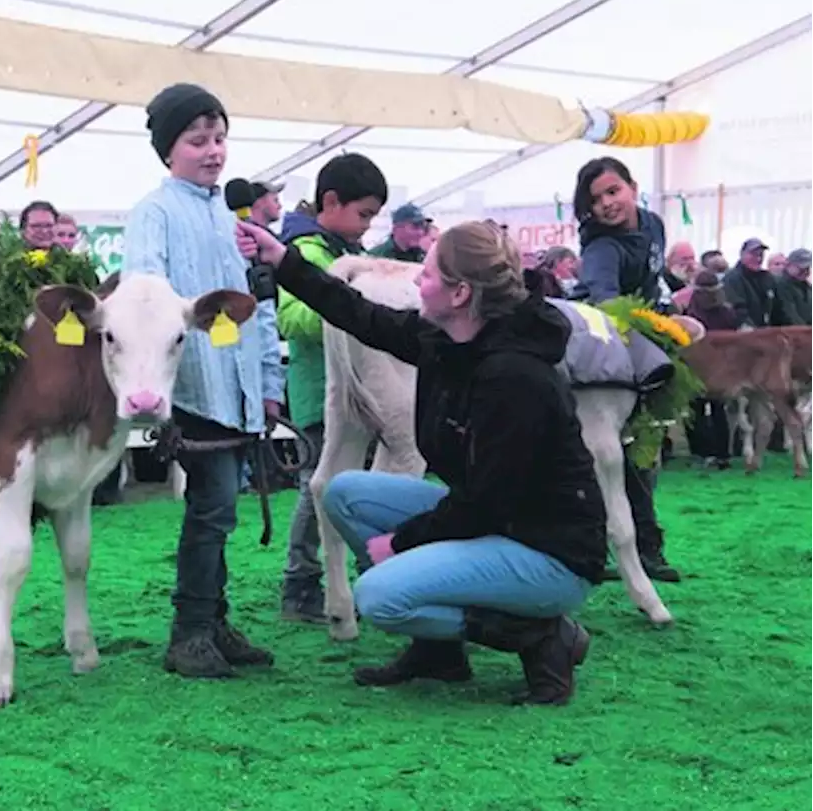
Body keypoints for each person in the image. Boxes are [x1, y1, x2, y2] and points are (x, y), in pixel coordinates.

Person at [235, 218, 605, 706]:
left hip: (549, 552)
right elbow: (361, 316)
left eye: (426, 274)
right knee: (346, 493)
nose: (415, 281)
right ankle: (438, 653)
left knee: (380, 597)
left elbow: (484, 504)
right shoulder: (452, 340)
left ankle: (542, 636)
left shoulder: (516, 378)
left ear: (460, 295)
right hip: (501, 525)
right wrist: (283, 261)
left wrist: (403, 542)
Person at [122, 82, 286, 679]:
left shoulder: (226, 213)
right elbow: (144, 301)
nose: (213, 151)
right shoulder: (155, 212)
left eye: (219, 139)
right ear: (170, 149)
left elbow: (256, 304)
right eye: (197, 141)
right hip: (192, 386)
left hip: (237, 387)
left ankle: (212, 621)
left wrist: (267, 381)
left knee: (220, 506)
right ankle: (190, 629)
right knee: (213, 505)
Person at [275, 152, 387, 623]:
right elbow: (291, 318)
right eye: (362, 215)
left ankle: (366, 571)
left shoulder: (337, 251)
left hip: (355, 390)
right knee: (315, 488)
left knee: (349, 485)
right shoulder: (305, 251)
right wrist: (345, 304)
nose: (365, 227)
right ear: (331, 202)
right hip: (320, 391)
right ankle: (300, 584)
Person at [570, 156, 680, 583]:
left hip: (645, 342)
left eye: (613, 191)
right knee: (620, 453)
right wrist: (664, 326)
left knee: (641, 451)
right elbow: (607, 307)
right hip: (600, 352)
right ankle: (638, 549)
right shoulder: (601, 247)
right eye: (595, 200)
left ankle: (638, 545)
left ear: (633, 187)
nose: (607, 204)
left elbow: (653, 284)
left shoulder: (652, 224)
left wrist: (671, 311)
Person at [684, 271, 739, 468]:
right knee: (713, 410)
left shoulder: (690, 311)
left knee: (700, 410)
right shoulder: (727, 312)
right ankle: (719, 454)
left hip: (705, 367)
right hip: (713, 367)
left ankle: (705, 453)